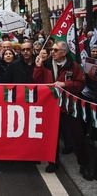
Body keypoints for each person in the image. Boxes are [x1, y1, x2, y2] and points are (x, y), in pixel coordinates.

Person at [33, 41, 92, 179]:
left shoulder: (74, 66)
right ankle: (53, 162)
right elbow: (36, 80)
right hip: (51, 108)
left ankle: (84, 166)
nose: (51, 52)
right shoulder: (46, 64)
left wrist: (65, 84)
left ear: (64, 52)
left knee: (78, 137)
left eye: (55, 50)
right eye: (51, 49)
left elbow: (80, 84)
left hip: (70, 108)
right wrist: (38, 66)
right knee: (52, 137)